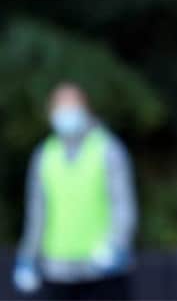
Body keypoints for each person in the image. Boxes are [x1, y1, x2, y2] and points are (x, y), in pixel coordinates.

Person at [12, 83, 137, 300]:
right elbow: (37, 212)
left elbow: (123, 204)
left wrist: (116, 245)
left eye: (72, 105)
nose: (66, 113)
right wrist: (27, 258)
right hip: (56, 270)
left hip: (102, 270)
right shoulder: (44, 155)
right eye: (60, 106)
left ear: (87, 109)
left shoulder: (107, 149)